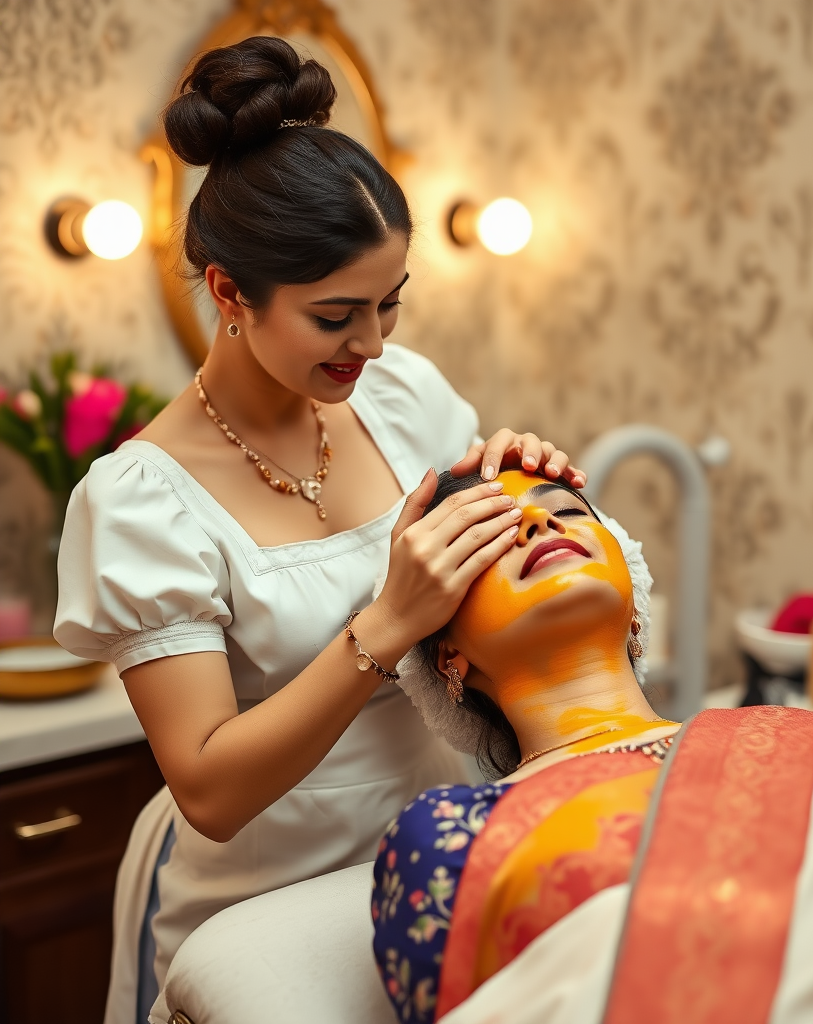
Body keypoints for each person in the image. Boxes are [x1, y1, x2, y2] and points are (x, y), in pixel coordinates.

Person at [53, 37, 595, 1024]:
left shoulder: (406, 398)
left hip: (441, 868)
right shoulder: (139, 503)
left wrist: (524, 504)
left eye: (390, 304)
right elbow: (209, 789)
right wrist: (383, 625)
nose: (375, 345)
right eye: (338, 315)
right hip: (263, 916)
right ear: (228, 293)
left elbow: (490, 628)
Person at [372, 468, 813, 1024]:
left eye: (566, 511)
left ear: (635, 610)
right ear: (448, 656)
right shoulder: (447, 838)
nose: (540, 527)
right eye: (491, 538)